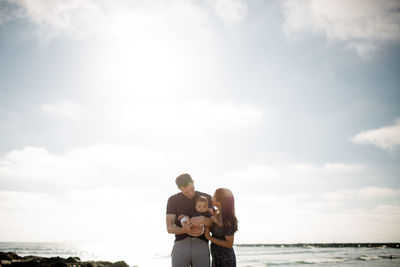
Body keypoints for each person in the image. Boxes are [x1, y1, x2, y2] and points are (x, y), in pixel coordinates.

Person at [166, 173, 213, 267]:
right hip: (181, 244)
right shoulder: (173, 199)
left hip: (201, 244)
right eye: (186, 192)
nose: (190, 193)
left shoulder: (207, 197)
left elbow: (213, 224)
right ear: (179, 188)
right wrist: (186, 230)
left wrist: (203, 219)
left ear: (193, 182)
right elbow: (169, 228)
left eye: (192, 189)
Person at [204, 188, 238, 267]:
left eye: (214, 196)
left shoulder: (228, 218)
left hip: (225, 259)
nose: (212, 197)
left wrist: (210, 238)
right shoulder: (217, 213)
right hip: (216, 257)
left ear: (220, 201)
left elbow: (229, 244)